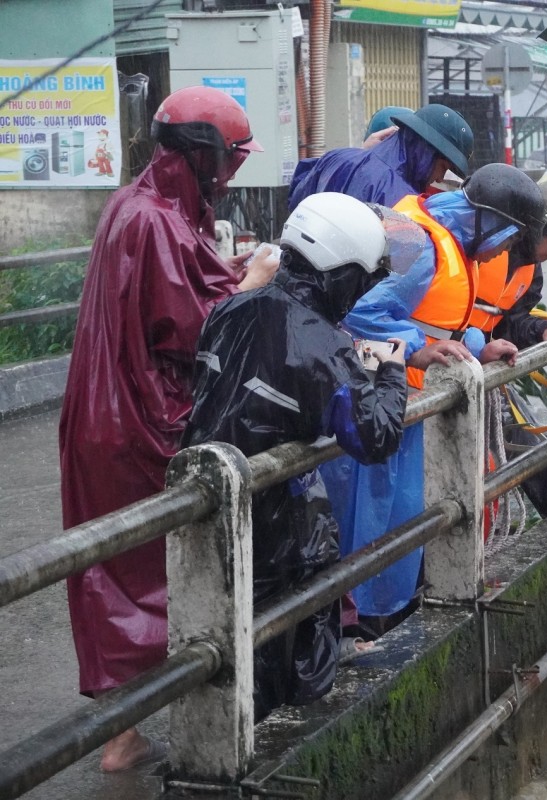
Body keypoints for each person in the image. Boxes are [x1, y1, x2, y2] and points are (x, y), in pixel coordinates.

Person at [58, 85, 279, 772]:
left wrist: (236, 271)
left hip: (107, 414)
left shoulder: (142, 205)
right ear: (206, 157)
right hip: (133, 421)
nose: (236, 172)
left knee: (118, 570)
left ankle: (128, 727)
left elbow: (187, 286)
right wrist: (257, 279)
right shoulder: (153, 221)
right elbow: (195, 325)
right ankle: (123, 739)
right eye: (234, 159)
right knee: (141, 570)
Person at [182, 193, 412, 719]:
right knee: (284, 642)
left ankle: (230, 734)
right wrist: (393, 369)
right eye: (360, 279)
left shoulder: (230, 307)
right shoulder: (322, 344)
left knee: (223, 635)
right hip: (278, 520)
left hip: (203, 499)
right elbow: (373, 436)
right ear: (339, 271)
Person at [320, 163, 547, 630]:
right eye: (508, 239)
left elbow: (434, 319)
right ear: (489, 220)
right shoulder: (422, 245)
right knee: (375, 517)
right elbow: (359, 317)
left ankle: (382, 611)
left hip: (409, 401)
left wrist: (481, 348)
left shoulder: (447, 238)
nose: (505, 251)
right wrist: (420, 350)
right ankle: (361, 623)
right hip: (380, 399)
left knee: (404, 514)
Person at [288, 103, 474, 211]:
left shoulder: (337, 157)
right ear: (427, 153)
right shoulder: (405, 201)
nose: (441, 178)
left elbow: (296, 200)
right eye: (443, 167)